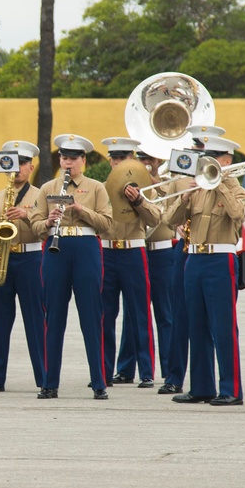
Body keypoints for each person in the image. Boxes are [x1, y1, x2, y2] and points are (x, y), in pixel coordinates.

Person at [165, 135, 245, 406]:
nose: (206, 161)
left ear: (227, 160)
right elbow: (170, 220)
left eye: (212, 157)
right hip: (193, 259)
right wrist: (186, 196)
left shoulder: (236, 189)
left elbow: (237, 214)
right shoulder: (197, 188)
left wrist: (220, 183)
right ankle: (201, 387)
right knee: (196, 325)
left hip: (219, 261)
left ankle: (231, 389)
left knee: (222, 327)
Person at [29, 134, 113, 400]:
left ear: (83, 161)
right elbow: (34, 223)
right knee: (53, 317)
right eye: (64, 158)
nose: (68, 163)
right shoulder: (47, 188)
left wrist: (79, 209)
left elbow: (107, 224)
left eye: (73, 158)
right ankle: (49, 382)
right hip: (57, 249)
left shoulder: (96, 187)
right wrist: (47, 222)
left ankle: (99, 381)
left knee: (91, 315)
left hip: (86, 248)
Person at [158, 125, 227, 395]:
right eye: (197, 148)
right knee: (181, 315)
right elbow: (166, 211)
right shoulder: (179, 176)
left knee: (209, 321)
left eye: (204, 150)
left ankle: (213, 383)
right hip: (184, 248)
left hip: (210, 253)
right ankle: (175, 376)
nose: (199, 153)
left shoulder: (222, 178)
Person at [0, 140, 45, 393]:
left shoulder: (40, 196)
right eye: (13, 163)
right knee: (0, 320)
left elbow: (46, 230)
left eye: (23, 163)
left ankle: (44, 377)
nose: (17, 169)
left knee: (36, 320)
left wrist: (27, 217)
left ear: (31, 166)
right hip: (2, 260)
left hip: (31, 259)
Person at [98, 137, 160, 389]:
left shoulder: (145, 187)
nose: (118, 163)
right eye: (115, 159)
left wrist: (138, 201)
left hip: (133, 252)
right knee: (105, 315)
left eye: (124, 159)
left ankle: (146, 371)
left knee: (140, 313)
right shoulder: (100, 188)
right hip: (107, 252)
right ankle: (104, 370)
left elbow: (156, 218)